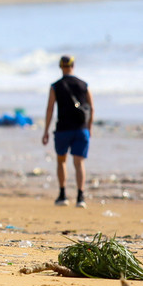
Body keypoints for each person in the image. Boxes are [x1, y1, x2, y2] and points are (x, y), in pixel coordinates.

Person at [41, 54, 94, 207]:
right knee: (79, 163)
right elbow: (92, 108)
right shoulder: (84, 85)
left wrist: (45, 131)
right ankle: (80, 197)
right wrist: (89, 127)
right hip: (81, 129)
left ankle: (63, 194)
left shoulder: (55, 86)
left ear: (60, 66)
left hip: (63, 129)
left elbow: (50, 109)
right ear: (73, 66)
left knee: (61, 161)